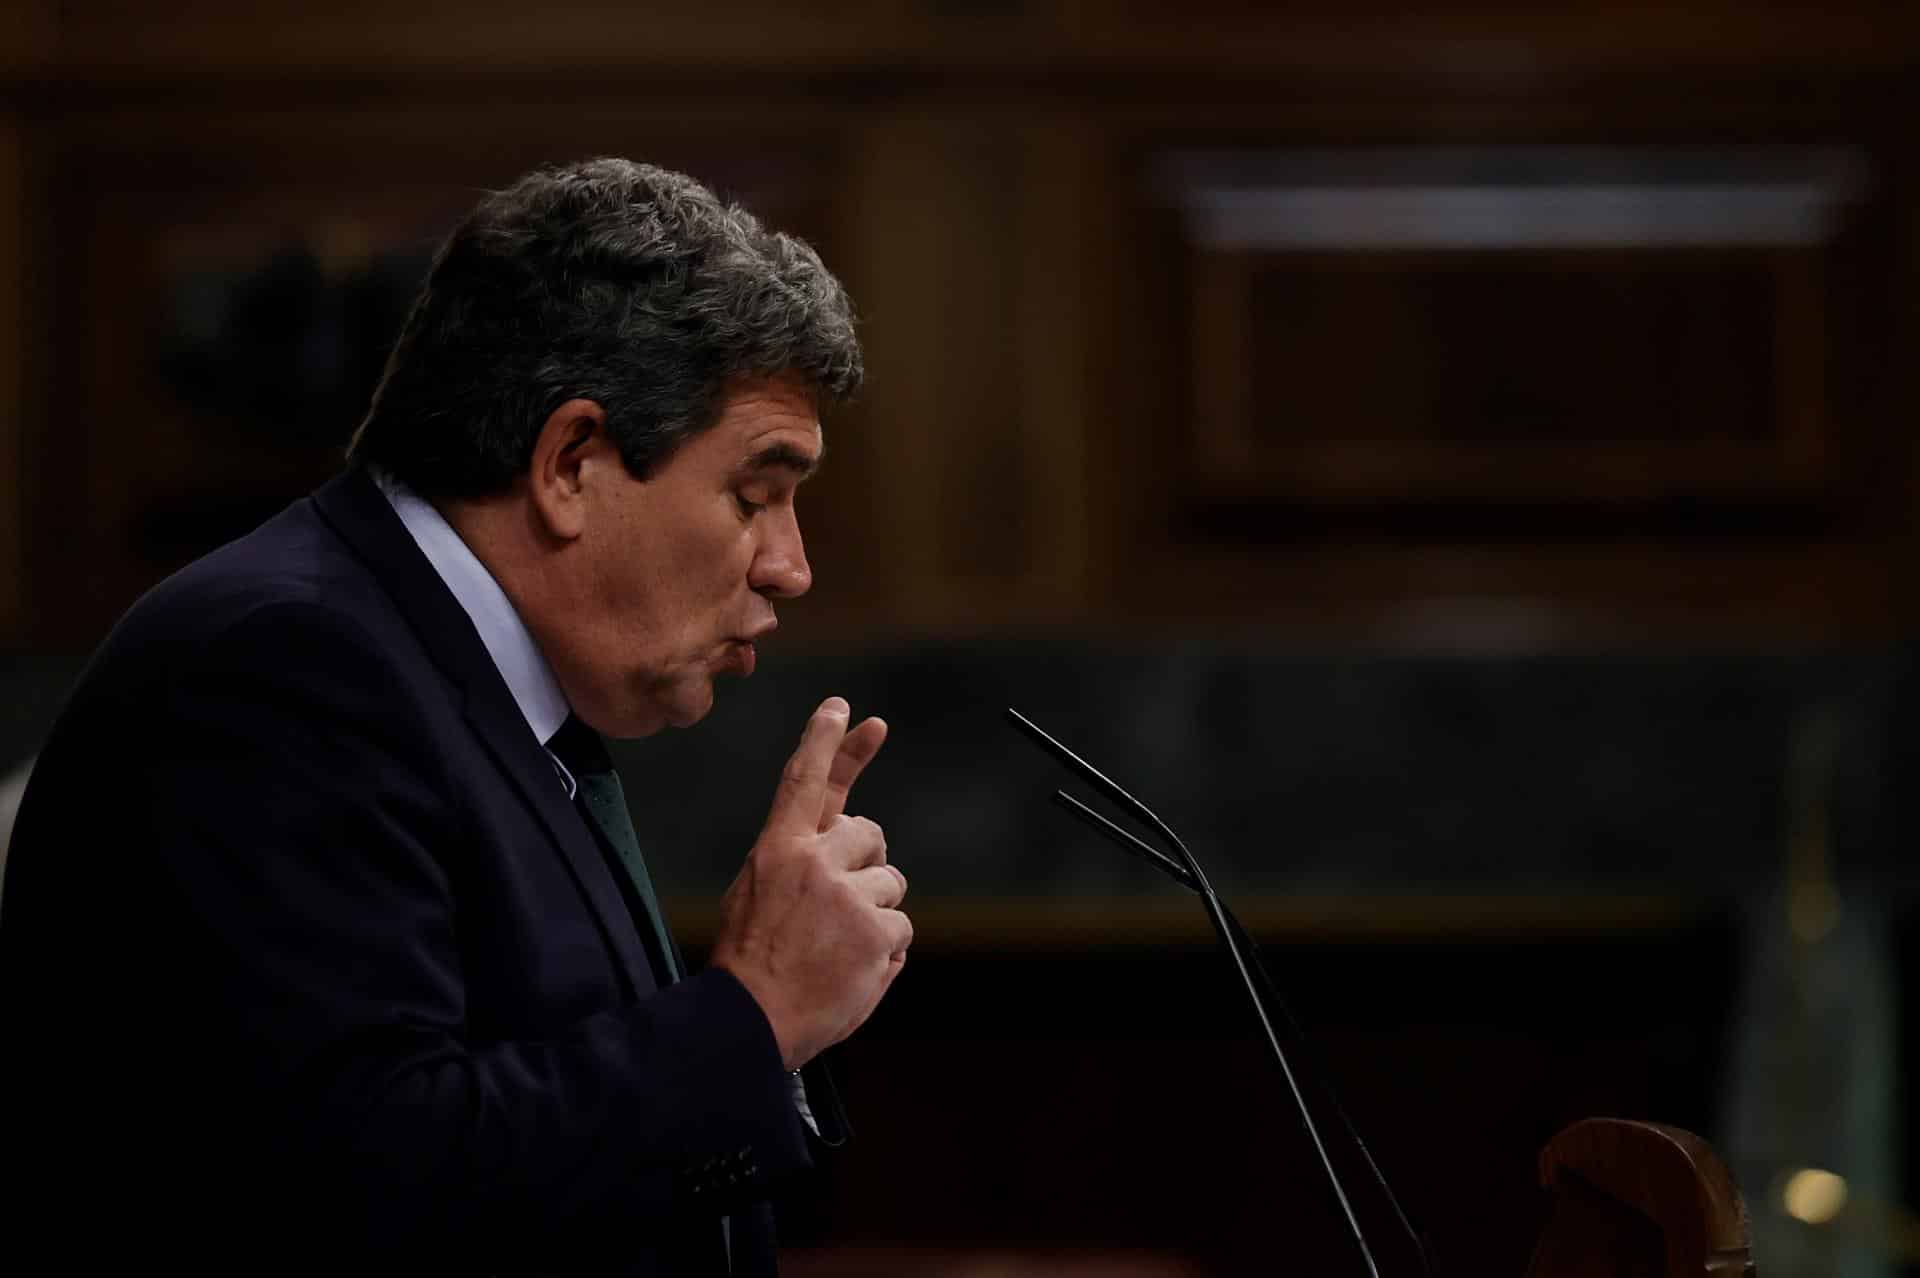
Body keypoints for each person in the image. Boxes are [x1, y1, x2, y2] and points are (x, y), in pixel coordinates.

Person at [0, 157, 911, 1275]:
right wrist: (756, 1010)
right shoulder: (283, 668)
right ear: (570, 461)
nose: (792, 568)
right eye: (755, 494)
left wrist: (774, 1023)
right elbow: (372, 1180)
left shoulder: (486, 687)